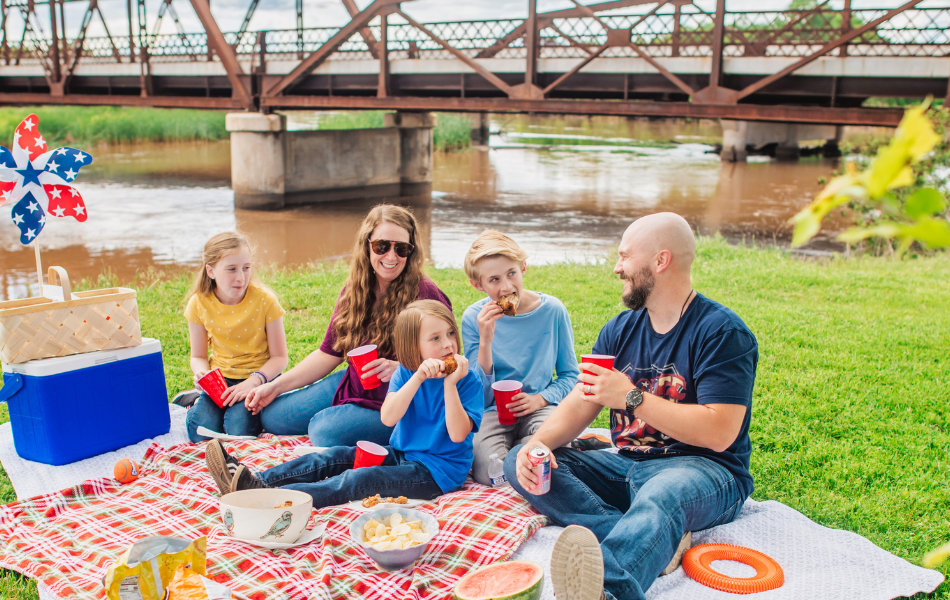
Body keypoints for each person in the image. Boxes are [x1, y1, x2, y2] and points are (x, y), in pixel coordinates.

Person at [504, 213, 758, 600]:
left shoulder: (722, 333)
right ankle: (654, 537)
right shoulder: (620, 329)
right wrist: (536, 444)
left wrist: (630, 397)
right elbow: (580, 401)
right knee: (522, 461)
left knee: (663, 495)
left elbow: (719, 433)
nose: (616, 267)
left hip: (704, 471)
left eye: (625, 256)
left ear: (660, 261)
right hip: (627, 465)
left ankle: (606, 590)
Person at [205, 300, 483, 506]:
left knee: (360, 480)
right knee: (333, 456)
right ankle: (252, 481)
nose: (448, 344)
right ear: (413, 347)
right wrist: (418, 378)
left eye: (449, 334)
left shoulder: (466, 380)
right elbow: (389, 418)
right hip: (403, 453)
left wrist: (449, 385)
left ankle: (272, 500)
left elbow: (458, 434)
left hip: (437, 473)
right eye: (435, 338)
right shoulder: (407, 374)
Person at [246, 204, 452, 448]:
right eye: (382, 246)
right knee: (273, 418)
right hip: (356, 384)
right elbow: (328, 354)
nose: (391, 256)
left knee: (323, 431)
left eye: (402, 248)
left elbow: (451, 363)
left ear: (411, 251)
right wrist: (275, 386)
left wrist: (402, 367)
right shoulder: (356, 290)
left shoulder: (426, 295)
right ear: (367, 245)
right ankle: (347, 412)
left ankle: (404, 433)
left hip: (403, 402)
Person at [461, 230, 579, 486]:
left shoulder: (553, 311)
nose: (506, 287)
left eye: (511, 273)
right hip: (493, 412)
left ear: (523, 267)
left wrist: (540, 399)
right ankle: (520, 452)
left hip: (540, 408)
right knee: (486, 472)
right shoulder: (473, 318)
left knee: (552, 455)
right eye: (494, 279)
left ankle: (524, 450)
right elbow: (477, 396)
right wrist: (486, 340)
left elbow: (571, 376)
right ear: (477, 284)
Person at [183, 231, 289, 443]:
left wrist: (253, 381)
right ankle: (195, 400)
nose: (241, 277)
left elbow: (280, 358)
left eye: (246, 268)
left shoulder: (265, 300)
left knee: (238, 431)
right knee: (199, 432)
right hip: (220, 382)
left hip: (258, 378)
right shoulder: (198, 303)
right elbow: (198, 355)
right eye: (231, 269)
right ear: (211, 271)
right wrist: (202, 374)